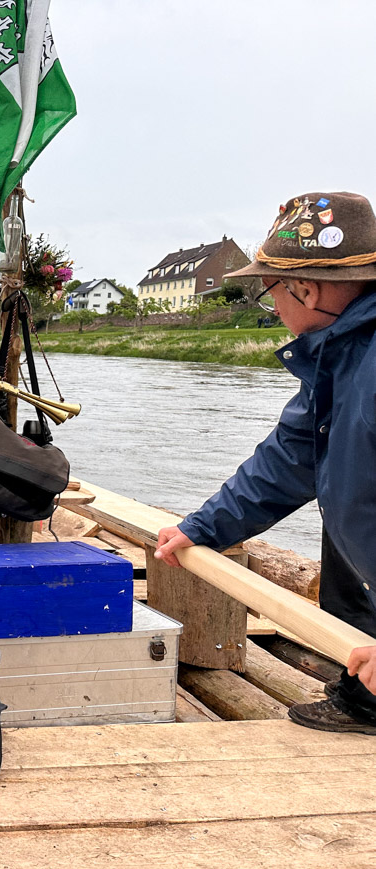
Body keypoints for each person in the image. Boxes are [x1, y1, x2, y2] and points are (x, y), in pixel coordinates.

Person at [153, 190, 376, 735]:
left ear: (307, 287)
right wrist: (202, 529)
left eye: (271, 290)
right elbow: (286, 461)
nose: (272, 306)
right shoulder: (335, 353)